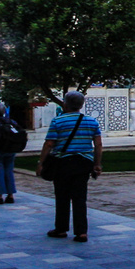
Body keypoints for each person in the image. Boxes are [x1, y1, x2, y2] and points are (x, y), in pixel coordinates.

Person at [38, 91, 103, 241]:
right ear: (81, 105)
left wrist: (41, 162)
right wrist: (97, 164)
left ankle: (61, 228)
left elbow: (49, 144)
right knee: (80, 197)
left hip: (63, 162)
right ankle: (81, 232)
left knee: (62, 196)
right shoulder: (91, 121)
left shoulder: (58, 121)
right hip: (83, 162)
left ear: (65, 104)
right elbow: (98, 144)